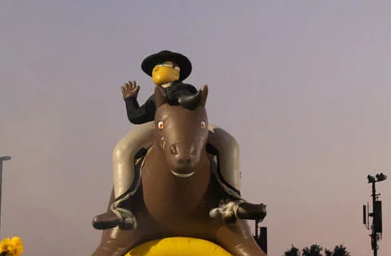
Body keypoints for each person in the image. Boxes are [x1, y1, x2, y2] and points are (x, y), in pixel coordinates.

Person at [93, 51, 264, 229]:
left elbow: (187, 100)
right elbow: (137, 117)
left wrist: (192, 99)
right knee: (123, 149)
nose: (157, 69)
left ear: (177, 70)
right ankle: (121, 208)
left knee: (229, 144)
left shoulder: (185, 89)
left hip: (189, 126)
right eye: (155, 67)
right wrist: (130, 99)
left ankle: (232, 201)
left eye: (163, 65)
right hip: (159, 127)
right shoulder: (155, 95)